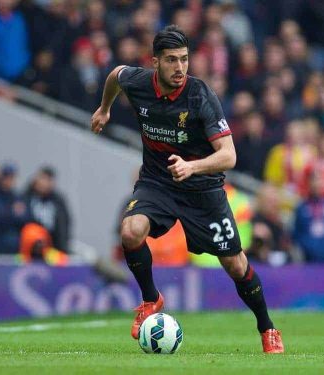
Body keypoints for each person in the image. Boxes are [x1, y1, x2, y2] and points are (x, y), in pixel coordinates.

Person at [90, 25, 283, 354]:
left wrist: (192, 166)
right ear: (155, 63)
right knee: (131, 230)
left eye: (184, 59)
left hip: (203, 190)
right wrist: (104, 108)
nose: (180, 68)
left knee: (235, 265)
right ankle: (151, 300)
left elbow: (229, 156)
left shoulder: (200, 96)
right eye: (171, 60)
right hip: (158, 182)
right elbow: (115, 75)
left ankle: (267, 328)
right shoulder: (137, 83)